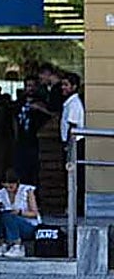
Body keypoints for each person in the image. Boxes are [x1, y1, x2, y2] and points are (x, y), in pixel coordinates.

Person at [0, 169, 40, 258]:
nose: (8, 189)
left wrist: (20, 212)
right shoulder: (1, 193)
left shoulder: (27, 191)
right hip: (9, 224)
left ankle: (16, 245)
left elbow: (35, 213)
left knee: (9, 216)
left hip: (28, 225)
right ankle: (5, 242)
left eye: (11, 187)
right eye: (6, 187)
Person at [61, 71, 86, 216]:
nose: (63, 88)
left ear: (74, 87)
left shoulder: (74, 103)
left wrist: (68, 145)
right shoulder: (69, 102)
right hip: (71, 143)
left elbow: (72, 126)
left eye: (66, 85)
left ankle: (75, 208)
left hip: (75, 143)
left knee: (74, 176)